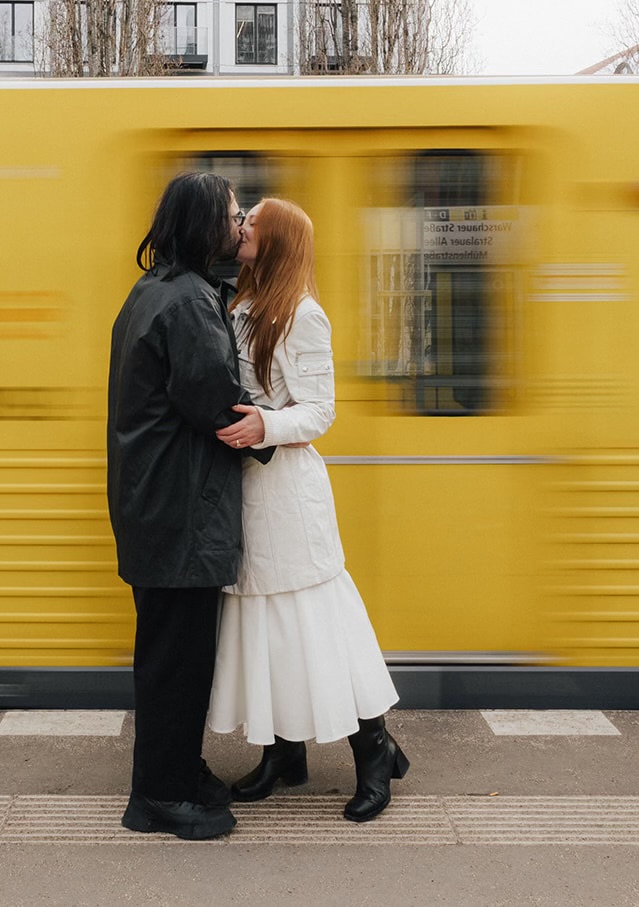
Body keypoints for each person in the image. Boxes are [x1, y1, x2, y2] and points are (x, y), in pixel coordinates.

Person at [207, 197, 409, 823]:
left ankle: (376, 753)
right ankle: (282, 754)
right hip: (248, 490)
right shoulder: (240, 304)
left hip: (288, 496)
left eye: (253, 223)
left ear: (278, 241)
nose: (242, 228)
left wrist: (262, 425)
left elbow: (321, 411)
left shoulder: (303, 314)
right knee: (265, 630)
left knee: (315, 628)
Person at [106, 171, 270, 841]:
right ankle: (159, 797)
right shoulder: (187, 305)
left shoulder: (159, 291)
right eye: (233, 216)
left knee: (169, 656)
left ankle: (175, 769)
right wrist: (276, 430)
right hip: (180, 512)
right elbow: (214, 401)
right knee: (178, 661)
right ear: (206, 225)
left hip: (160, 506)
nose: (240, 227)